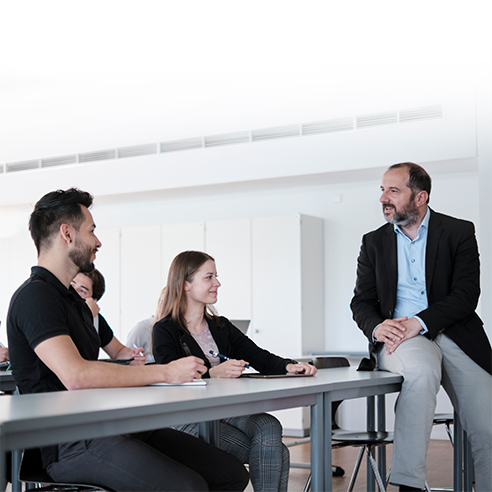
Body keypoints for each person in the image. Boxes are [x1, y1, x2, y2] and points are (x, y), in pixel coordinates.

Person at [6, 188, 249, 492]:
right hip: (68, 442)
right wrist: (166, 372)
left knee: (231, 474)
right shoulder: (35, 297)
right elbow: (77, 375)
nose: (98, 241)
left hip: (109, 424)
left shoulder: (74, 303)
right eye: (91, 231)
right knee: (187, 487)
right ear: (66, 234)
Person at [350, 163, 492, 492]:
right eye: (382, 190)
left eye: (393, 191)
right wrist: (377, 328)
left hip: (456, 333)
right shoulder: (373, 242)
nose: (384, 198)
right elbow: (361, 302)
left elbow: (466, 294)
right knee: (422, 374)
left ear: (420, 197)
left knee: (487, 426)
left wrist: (421, 322)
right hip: (402, 337)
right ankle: (408, 484)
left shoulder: (458, 231)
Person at [152, 250, 317, 492]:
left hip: (226, 410)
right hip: (190, 417)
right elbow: (170, 377)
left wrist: (289, 366)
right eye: (209, 277)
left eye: (216, 276)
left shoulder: (221, 326)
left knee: (269, 425)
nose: (217, 283)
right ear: (186, 284)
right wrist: (213, 374)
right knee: (277, 450)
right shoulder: (165, 329)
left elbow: (258, 356)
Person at [71, 269, 144, 362]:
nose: (74, 291)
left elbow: (117, 352)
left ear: (94, 301)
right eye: (72, 285)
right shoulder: (58, 311)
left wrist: (132, 354)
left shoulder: (96, 319)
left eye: (82, 291)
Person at [126, 287, 167, 363]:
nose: (163, 308)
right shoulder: (142, 329)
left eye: (168, 304)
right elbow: (125, 360)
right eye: (161, 303)